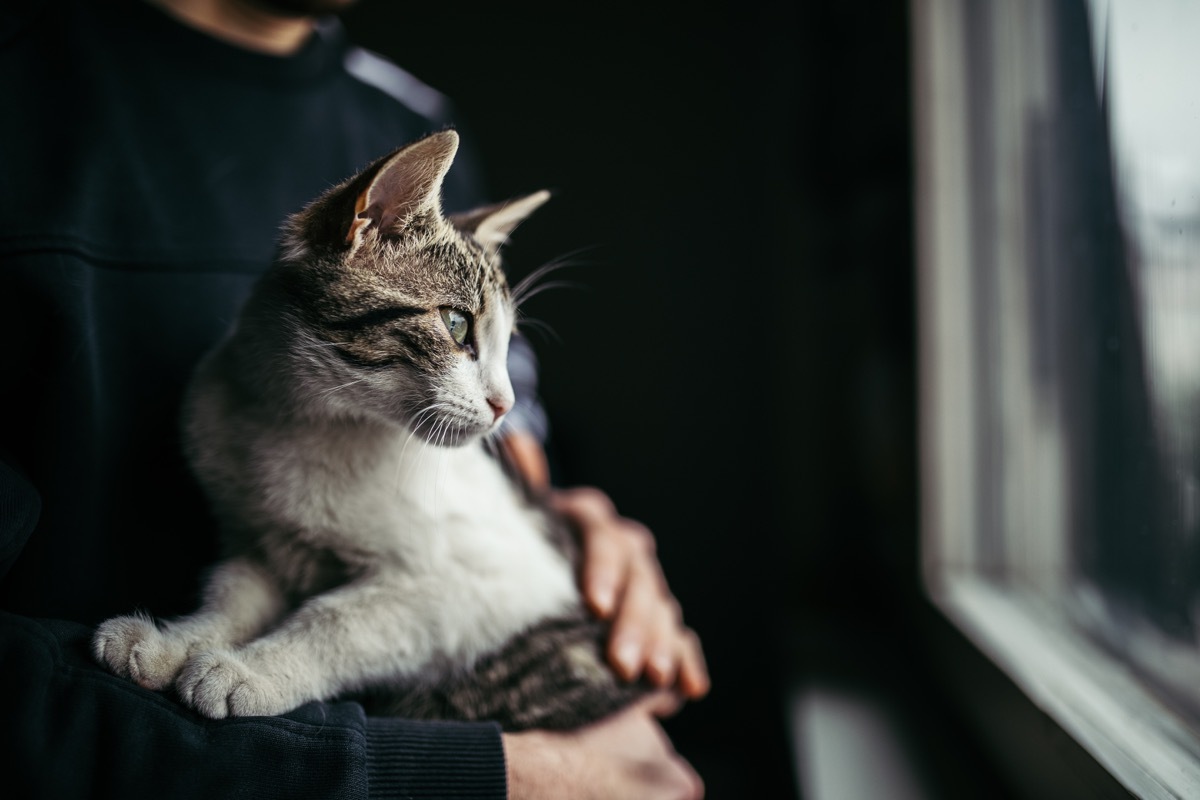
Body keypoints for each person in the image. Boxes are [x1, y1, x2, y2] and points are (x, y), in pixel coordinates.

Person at [0, 0, 707, 797]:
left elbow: (505, 419)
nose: (500, 391)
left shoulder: (412, 114)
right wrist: (493, 774)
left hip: (535, 678)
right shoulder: (24, 93)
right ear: (364, 224)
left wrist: (571, 513)